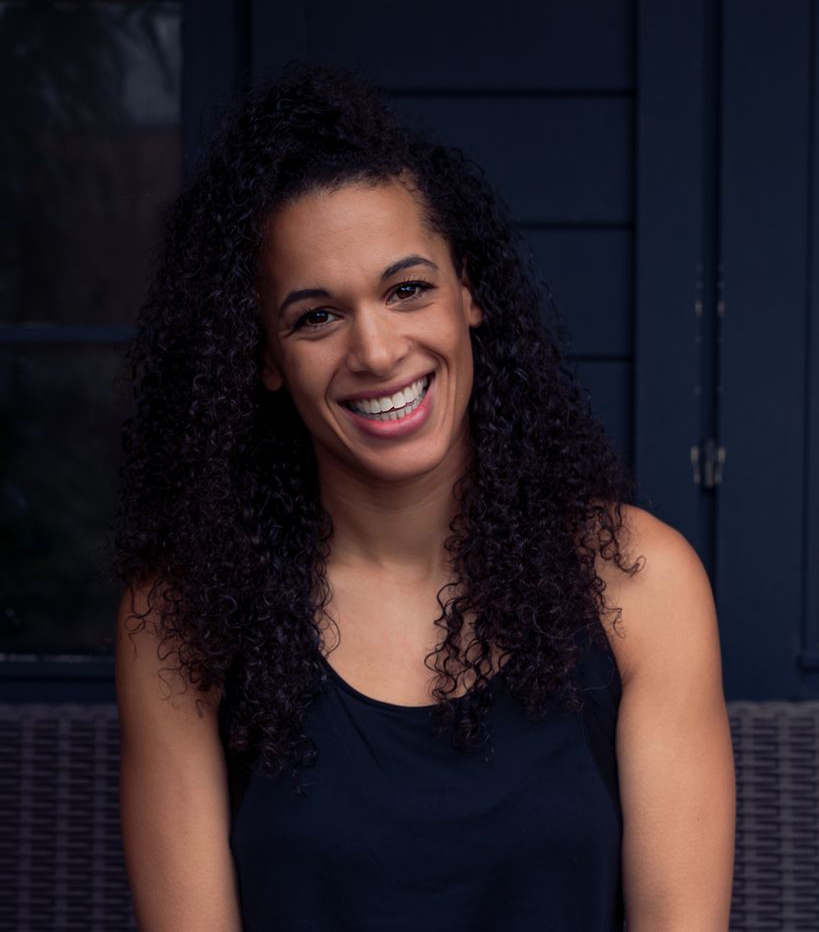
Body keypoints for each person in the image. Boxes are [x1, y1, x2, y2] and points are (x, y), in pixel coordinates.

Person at [114, 59, 736, 932]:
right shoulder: (182, 618)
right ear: (262, 358)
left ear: (468, 296)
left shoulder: (640, 581)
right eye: (314, 316)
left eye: (407, 289)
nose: (374, 350)